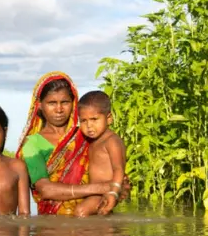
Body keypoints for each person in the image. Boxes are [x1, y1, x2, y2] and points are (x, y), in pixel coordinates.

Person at [15, 71, 130, 216]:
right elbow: (46, 190)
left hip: (96, 215)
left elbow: (113, 171)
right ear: (39, 106)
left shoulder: (87, 134)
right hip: (55, 228)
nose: (59, 109)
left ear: (73, 103)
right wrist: (105, 187)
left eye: (65, 102)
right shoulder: (32, 145)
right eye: (52, 103)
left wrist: (118, 187)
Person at [75, 91, 127, 216]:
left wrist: (113, 193)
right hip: (96, 192)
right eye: (84, 121)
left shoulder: (111, 141)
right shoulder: (93, 141)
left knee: (81, 211)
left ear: (109, 119)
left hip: (106, 192)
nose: (89, 126)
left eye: (94, 119)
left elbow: (118, 169)